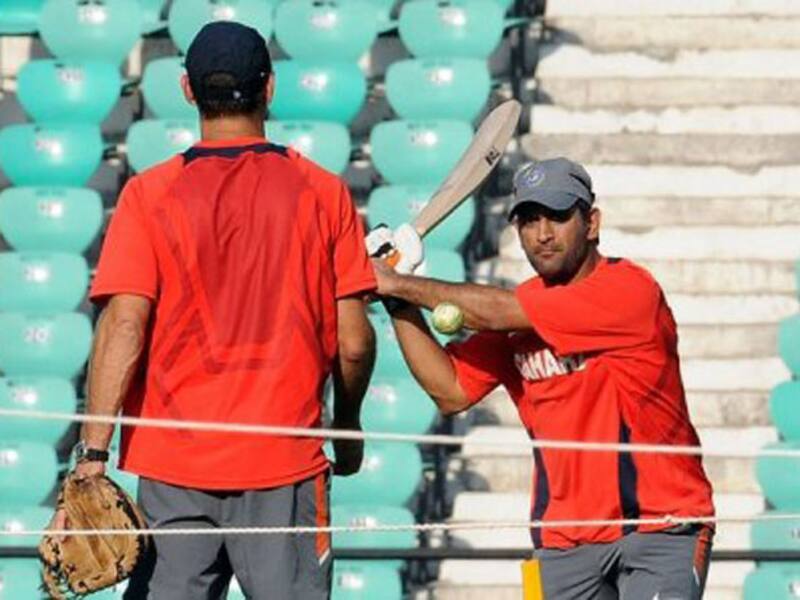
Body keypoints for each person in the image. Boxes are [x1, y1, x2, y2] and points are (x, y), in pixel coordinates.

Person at [49, 21, 376, 600]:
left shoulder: (149, 194)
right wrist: (346, 428)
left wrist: (92, 458)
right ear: (269, 89)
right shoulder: (322, 192)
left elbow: (124, 324)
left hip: (176, 471)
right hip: (285, 465)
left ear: (185, 89)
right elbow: (354, 342)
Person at [370, 157, 715, 599]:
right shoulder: (519, 308)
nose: (543, 235)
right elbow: (449, 390)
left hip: (660, 528)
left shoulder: (629, 291)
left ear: (591, 223)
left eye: (557, 216)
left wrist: (397, 282)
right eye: (530, 221)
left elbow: (495, 310)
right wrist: (397, 302)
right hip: (562, 541)